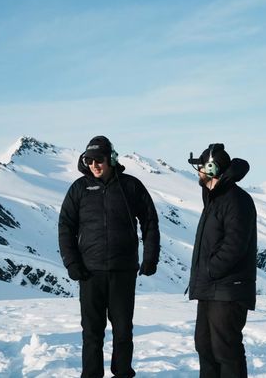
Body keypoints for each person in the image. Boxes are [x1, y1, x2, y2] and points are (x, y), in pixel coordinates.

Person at [58, 135, 160, 378]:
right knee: (92, 332)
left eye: (99, 159)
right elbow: (65, 227)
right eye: (89, 160)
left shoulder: (131, 186)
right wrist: (72, 263)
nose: (94, 164)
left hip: (123, 272)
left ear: (111, 159)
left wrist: (150, 258)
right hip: (90, 273)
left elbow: (150, 222)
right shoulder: (79, 189)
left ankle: (123, 373)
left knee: (123, 331)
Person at [188, 143, 257, 378]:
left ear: (211, 168)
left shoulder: (236, 200)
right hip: (210, 288)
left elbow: (234, 246)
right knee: (205, 347)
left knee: (226, 351)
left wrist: (210, 269)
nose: (197, 171)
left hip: (227, 290)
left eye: (200, 166)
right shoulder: (214, 199)